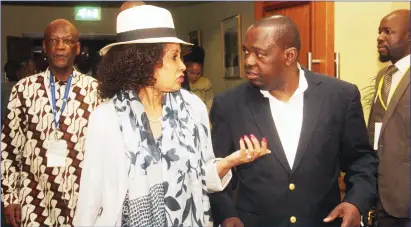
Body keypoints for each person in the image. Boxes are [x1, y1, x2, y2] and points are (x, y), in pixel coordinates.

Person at [73, 5, 269, 227]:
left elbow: (201, 177)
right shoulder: (106, 118)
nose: (183, 66)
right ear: (145, 62)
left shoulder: (193, 108)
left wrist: (229, 162)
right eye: (174, 57)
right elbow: (90, 197)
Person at [209, 15, 378, 227]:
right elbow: (215, 168)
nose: (248, 61)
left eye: (259, 54)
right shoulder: (229, 104)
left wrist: (355, 203)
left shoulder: (340, 96)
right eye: (246, 51)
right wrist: (226, 215)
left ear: (289, 56)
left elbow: (361, 160)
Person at [1, 19, 100, 227]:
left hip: (83, 201)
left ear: (78, 47)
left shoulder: (96, 91)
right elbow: (10, 147)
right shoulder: (23, 89)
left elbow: (105, 151)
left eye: (67, 41)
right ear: (45, 47)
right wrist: (10, 197)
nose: (60, 46)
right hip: (34, 199)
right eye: (53, 40)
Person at [368, 9, 410, 227]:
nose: (380, 37)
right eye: (379, 32)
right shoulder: (383, 76)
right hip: (380, 191)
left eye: (388, 32)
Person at [184, 45, 214, 112]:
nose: (194, 77)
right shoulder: (181, 83)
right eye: (191, 73)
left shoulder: (206, 83)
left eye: (198, 73)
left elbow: (209, 103)